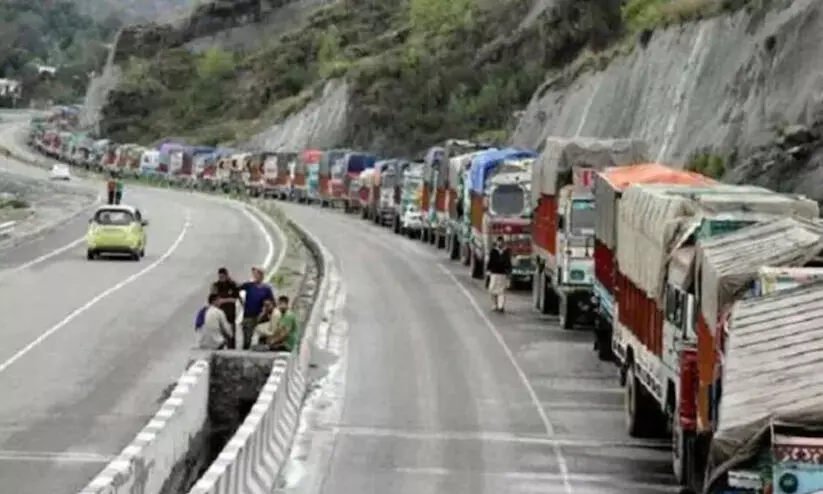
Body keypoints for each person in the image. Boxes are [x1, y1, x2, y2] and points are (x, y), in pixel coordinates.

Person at [238, 267, 275, 350]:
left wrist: (266, 310)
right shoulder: (249, 285)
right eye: (256, 274)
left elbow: (272, 303)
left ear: (262, 276)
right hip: (248, 316)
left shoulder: (266, 289)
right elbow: (236, 289)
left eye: (260, 274)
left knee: (262, 339)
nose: (257, 276)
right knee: (247, 340)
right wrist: (241, 301)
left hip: (261, 317)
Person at [210, 267, 239, 348]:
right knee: (219, 339)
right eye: (220, 277)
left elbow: (235, 299)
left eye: (223, 276)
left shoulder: (232, 285)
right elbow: (212, 300)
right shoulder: (216, 286)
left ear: (226, 276)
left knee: (231, 338)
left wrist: (224, 300)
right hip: (218, 316)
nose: (221, 278)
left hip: (230, 315)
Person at [486, 236, 512, 312]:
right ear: (497, 242)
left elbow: (508, 262)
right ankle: (494, 304)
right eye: (499, 241)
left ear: (503, 242)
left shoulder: (506, 252)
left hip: (502, 274)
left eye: (501, 241)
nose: (500, 243)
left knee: (501, 291)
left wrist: (509, 271)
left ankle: (501, 306)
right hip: (494, 273)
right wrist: (488, 270)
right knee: (492, 290)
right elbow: (490, 261)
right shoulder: (493, 251)